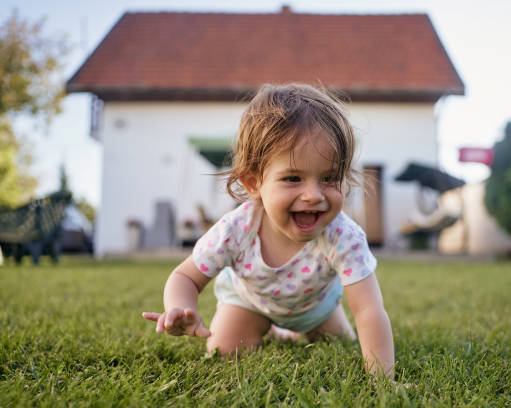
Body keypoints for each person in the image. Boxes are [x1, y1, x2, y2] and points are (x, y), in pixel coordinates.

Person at [142, 83, 395, 379]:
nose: (313, 195)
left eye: (329, 177)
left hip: (317, 307)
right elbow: (185, 276)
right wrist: (179, 307)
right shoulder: (236, 230)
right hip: (250, 304)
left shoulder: (343, 236)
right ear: (253, 184)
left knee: (340, 347)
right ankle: (271, 328)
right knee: (222, 353)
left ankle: (290, 331)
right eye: (292, 178)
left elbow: (368, 310)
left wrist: (383, 381)